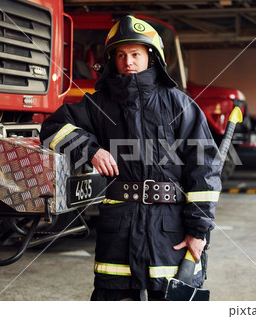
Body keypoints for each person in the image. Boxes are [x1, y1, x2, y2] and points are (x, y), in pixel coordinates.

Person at [40, 15, 222, 301]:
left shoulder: (180, 104)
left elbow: (204, 171)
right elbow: (52, 129)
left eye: (136, 54)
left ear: (152, 57)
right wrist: (90, 149)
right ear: (113, 60)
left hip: (170, 231)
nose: (128, 61)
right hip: (119, 230)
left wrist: (199, 232)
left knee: (173, 302)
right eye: (121, 55)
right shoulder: (98, 104)